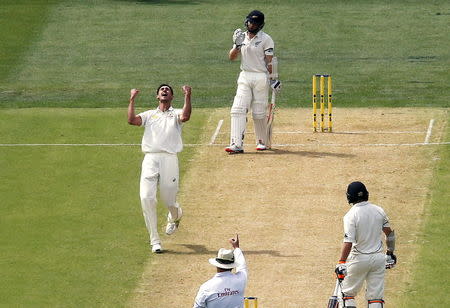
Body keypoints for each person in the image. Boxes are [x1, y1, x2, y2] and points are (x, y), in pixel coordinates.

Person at [127, 84, 192, 253]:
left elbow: (185, 116)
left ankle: (176, 215)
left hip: (169, 158)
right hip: (150, 158)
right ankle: (155, 240)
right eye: (162, 90)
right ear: (157, 96)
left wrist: (188, 96)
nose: (164, 91)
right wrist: (132, 100)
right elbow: (132, 120)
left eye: (167, 90)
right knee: (146, 198)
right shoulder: (150, 115)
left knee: (168, 198)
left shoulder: (175, 113)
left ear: (171, 96)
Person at [226, 10, 282, 154]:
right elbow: (231, 57)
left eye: (255, 23)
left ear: (260, 25)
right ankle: (236, 144)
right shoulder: (241, 37)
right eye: (250, 21)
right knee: (237, 109)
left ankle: (261, 141)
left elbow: (270, 62)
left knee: (258, 111)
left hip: (260, 76)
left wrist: (273, 79)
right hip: (245, 75)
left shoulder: (266, 39)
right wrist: (237, 46)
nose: (251, 24)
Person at [334, 181, 397, 308]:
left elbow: (348, 241)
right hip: (378, 259)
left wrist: (341, 262)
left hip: (358, 259)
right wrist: (390, 253)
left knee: (347, 295)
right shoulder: (379, 210)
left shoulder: (350, 215)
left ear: (349, 197)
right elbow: (389, 234)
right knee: (375, 298)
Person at [193, 235, 248, 308]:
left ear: (217, 265)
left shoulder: (206, 287)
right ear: (232, 266)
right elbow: (242, 266)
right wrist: (236, 248)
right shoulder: (241, 279)